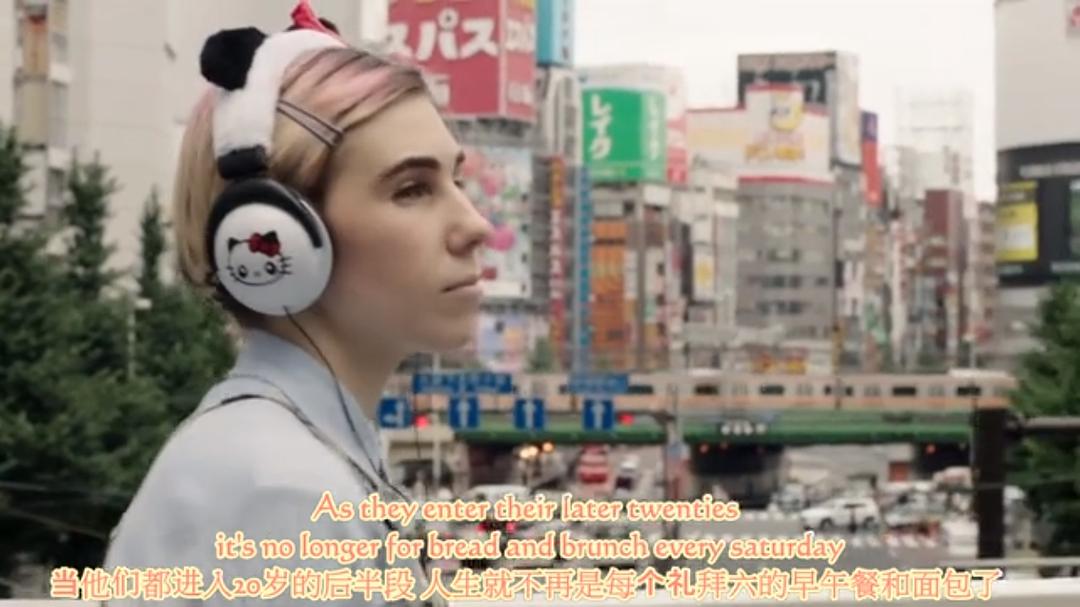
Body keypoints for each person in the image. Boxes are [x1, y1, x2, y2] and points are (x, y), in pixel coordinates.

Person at [102, 2, 491, 605]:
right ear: (276, 234)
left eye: (456, 182)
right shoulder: (283, 494)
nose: (475, 226)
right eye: (412, 189)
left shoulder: (289, 452)